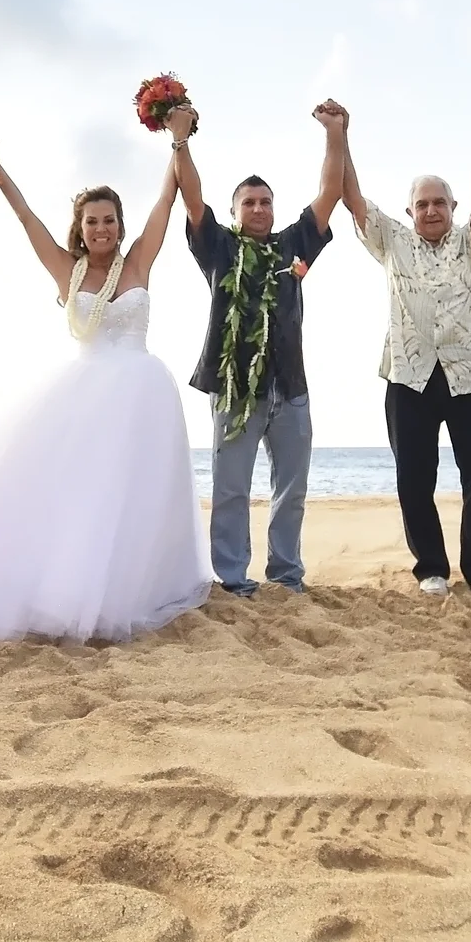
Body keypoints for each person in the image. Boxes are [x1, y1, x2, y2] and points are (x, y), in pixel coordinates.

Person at [0, 117, 212, 641]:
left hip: (141, 396)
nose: (101, 229)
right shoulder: (65, 269)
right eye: (92, 221)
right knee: (81, 496)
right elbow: (25, 216)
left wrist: (178, 137)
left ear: (120, 225)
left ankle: (127, 589)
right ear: (80, 227)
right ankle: (67, 592)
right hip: (83, 395)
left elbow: (169, 196)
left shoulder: (139, 262)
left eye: (109, 220)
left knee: (131, 497)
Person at [170, 102, 344, 596]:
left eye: (266, 202)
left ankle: (286, 575)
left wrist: (334, 133)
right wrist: (180, 140)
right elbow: (192, 198)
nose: (259, 209)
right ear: (234, 212)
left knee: (292, 490)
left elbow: (329, 193)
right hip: (234, 390)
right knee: (231, 489)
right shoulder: (219, 248)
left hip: (291, 388)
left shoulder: (293, 245)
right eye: (248, 203)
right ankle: (231, 578)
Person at [337, 95, 471, 600]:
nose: (431, 210)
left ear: (453, 209)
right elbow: (352, 199)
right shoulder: (392, 241)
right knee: (414, 478)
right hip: (409, 376)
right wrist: (339, 134)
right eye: (423, 204)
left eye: (440, 203)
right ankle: (431, 567)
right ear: (410, 211)